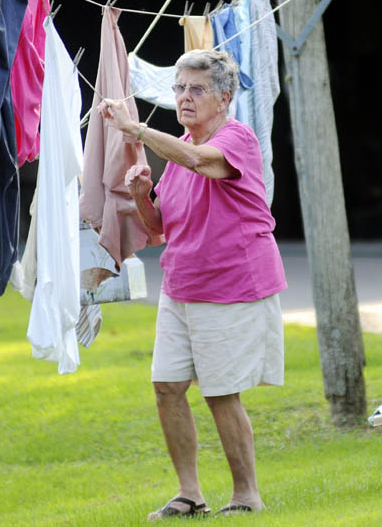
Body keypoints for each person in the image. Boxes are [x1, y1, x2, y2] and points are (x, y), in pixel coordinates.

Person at [98, 49, 287, 520]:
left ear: (224, 97)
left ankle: (246, 496)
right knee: (166, 386)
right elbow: (161, 227)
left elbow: (202, 162)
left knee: (221, 392)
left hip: (231, 284)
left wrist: (136, 130)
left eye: (196, 89)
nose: (183, 97)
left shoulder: (235, 138)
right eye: (179, 88)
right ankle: (190, 494)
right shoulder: (178, 148)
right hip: (181, 286)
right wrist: (142, 195)